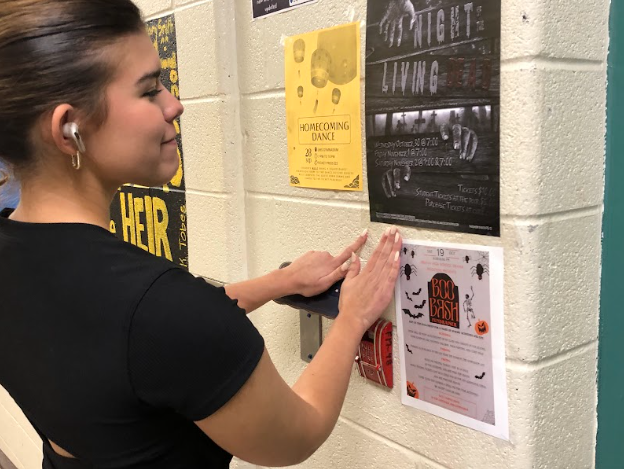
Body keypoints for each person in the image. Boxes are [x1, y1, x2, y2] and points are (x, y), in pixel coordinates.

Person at [0, 1, 402, 467]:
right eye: (150, 91)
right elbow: (298, 433)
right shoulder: (159, 310)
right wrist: (351, 318)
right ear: (69, 131)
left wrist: (278, 284)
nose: (175, 104)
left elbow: (128, 343)